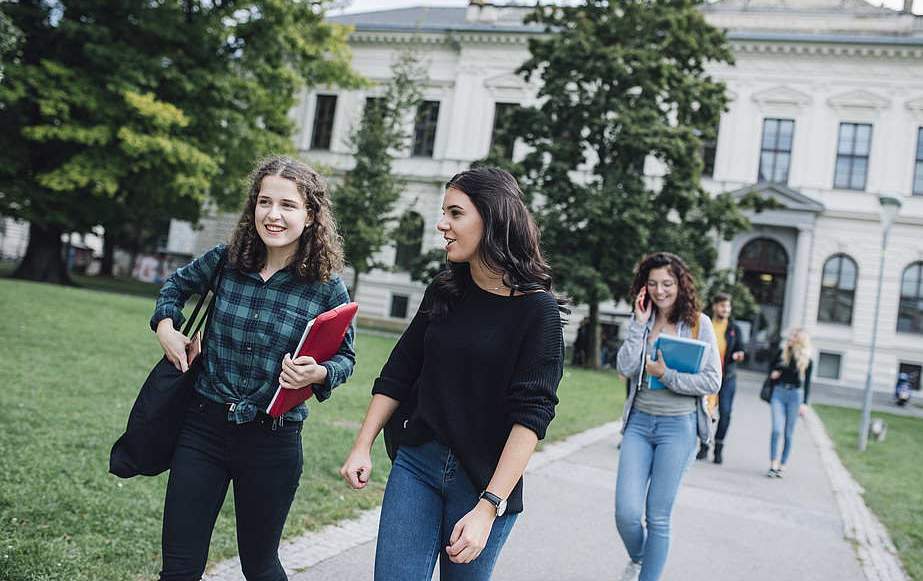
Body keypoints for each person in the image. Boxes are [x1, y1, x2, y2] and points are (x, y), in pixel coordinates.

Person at [340, 167, 567, 581]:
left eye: (455, 213)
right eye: (444, 212)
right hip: (417, 464)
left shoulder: (538, 313)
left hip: (483, 481)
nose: (442, 224)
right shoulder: (445, 289)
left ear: (493, 219)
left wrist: (488, 506)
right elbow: (400, 370)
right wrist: (362, 445)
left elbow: (531, 417)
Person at [150, 156, 356, 580]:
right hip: (202, 427)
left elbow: (345, 359)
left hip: (273, 441)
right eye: (264, 202)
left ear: (311, 214)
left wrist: (316, 374)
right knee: (180, 567)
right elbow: (176, 286)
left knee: (260, 567)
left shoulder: (326, 286)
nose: (273, 215)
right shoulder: (227, 260)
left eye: (288, 205)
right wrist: (167, 327)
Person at [614, 252, 722, 581]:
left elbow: (712, 380)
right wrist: (637, 324)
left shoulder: (698, 324)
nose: (660, 291)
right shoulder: (642, 320)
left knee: (657, 516)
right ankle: (642, 559)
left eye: (667, 284)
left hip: (680, 427)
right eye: (653, 284)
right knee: (626, 513)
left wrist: (667, 374)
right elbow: (625, 368)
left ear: (680, 284)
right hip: (639, 424)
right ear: (644, 287)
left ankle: (648, 575)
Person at [695, 293, 745, 464]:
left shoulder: (734, 329)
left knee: (725, 412)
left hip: (727, 378)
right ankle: (703, 445)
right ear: (715, 306)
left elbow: (740, 349)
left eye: (728, 306)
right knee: (706, 410)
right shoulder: (706, 324)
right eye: (723, 306)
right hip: (707, 376)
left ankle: (718, 447)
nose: (726, 310)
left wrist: (739, 355)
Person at [767, 328, 813, 478]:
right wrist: (772, 374)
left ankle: (782, 465)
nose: (790, 338)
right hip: (779, 393)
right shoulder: (782, 353)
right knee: (776, 430)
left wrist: (804, 403)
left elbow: (807, 384)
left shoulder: (807, 361)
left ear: (800, 340)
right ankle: (773, 464)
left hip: (795, 396)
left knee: (788, 434)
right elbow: (770, 367)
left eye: (793, 336)